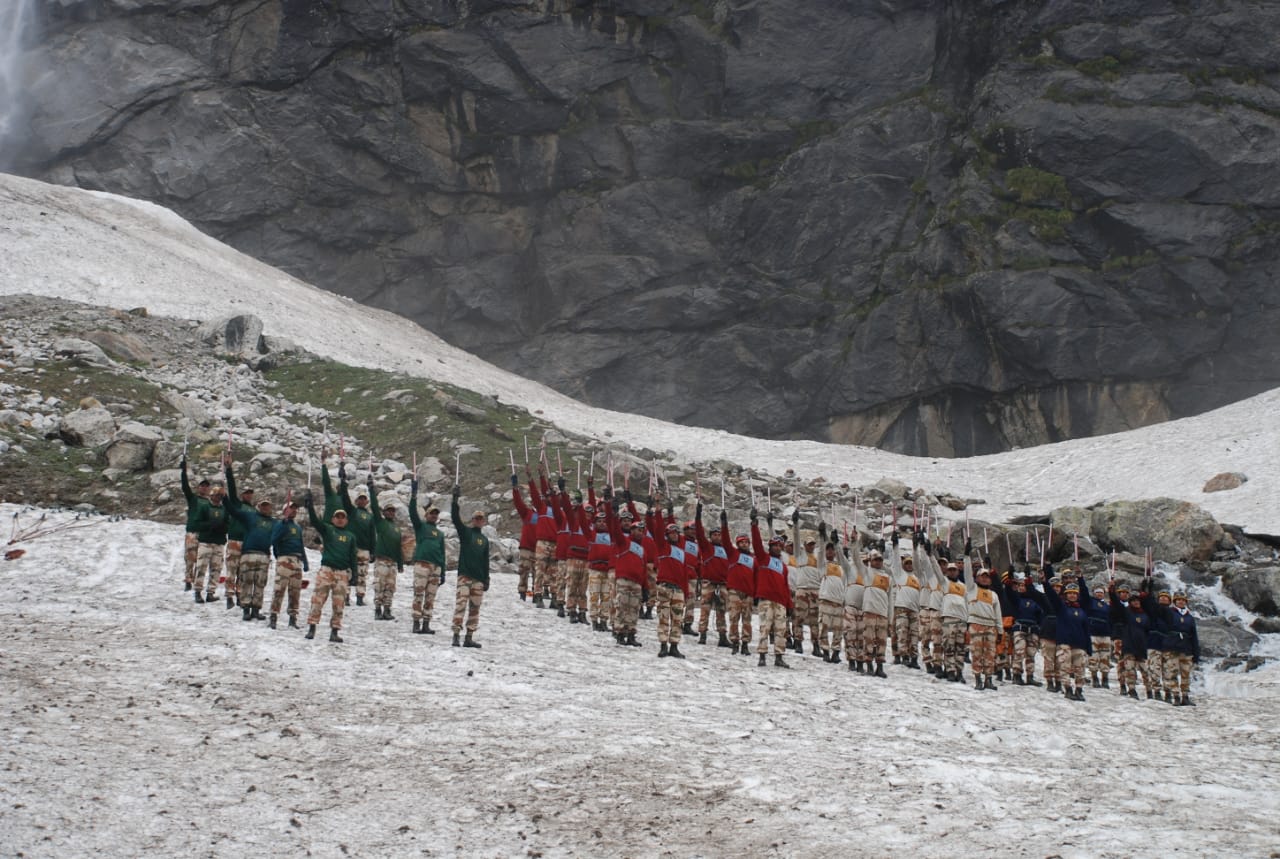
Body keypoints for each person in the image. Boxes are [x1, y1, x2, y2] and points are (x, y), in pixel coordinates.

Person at [224, 457, 278, 622]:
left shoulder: (274, 522)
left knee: (260, 583)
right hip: (247, 552)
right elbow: (233, 510)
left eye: (268, 506)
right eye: (263, 506)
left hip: (263, 555)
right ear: (259, 507)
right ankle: (245, 607)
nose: (265, 508)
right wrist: (225, 497)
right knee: (245, 580)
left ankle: (256, 609)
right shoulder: (249, 516)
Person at [302, 492, 358, 642]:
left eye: (342, 517)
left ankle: (335, 631)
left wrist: (355, 577)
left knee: (339, 604)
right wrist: (310, 507)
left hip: (342, 573)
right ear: (333, 519)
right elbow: (315, 521)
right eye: (337, 517)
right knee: (317, 600)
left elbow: (353, 557)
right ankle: (312, 628)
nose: (340, 520)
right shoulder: (328, 530)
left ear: (346, 520)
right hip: (326, 571)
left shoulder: (350, 536)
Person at [450, 485, 491, 647]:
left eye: (481, 519)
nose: (478, 521)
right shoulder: (466, 533)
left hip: (479, 579)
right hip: (465, 576)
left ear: (484, 521)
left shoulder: (485, 540)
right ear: (472, 520)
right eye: (476, 518)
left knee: (475, 608)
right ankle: (455, 634)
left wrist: (486, 579)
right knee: (461, 605)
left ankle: (469, 637)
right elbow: (455, 518)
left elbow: (486, 560)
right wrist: (455, 500)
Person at [606, 488, 647, 647]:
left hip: (636, 582)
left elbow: (643, 568)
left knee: (634, 608)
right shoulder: (624, 542)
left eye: (642, 530)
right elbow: (615, 529)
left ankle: (631, 633)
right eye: (637, 530)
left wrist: (645, 586)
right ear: (631, 531)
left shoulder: (641, 549)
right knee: (622, 606)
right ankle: (619, 632)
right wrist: (614, 513)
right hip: (624, 579)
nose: (640, 532)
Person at [752, 509, 792, 668]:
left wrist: (789, 605)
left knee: (781, 630)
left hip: (780, 602)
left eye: (780, 546)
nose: (778, 548)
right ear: (770, 546)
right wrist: (754, 525)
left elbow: (786, 586)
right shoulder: (763, 558)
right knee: (765, 628)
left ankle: (779, 656)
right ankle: (762, 655)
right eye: (775, 545)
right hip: (766, 600)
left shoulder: (783, 566)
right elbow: (756, 543)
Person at [1043, 569, 1091, 702]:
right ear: (1066, 595)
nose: (1072, 596)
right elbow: (1052, 596)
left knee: (1080, 669)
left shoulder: (1082, 611)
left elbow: (1086, 597)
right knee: (1064, 667)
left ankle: (1079, 690)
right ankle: (1068, 689)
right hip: (1064, 642)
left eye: (1074, 594)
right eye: (1069, 594)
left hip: (1079, 644)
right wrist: (1044, 582)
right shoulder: (1061, 607)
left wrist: (1080, 579)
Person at [962, 540, 1003, 691]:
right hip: (976, 624)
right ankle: (978, 678)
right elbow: (967, 574)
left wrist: (1000, 630)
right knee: (977, 653)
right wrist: (967, 556)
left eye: (987, 576)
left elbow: (998, 614)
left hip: (991, 626)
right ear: (977, 578)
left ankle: (989, 679)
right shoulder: (972, 589)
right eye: (982, 576)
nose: (985, 578)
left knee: (990, 654)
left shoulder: (993, 595)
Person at [651, 502, 689, 658]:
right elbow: (658, 530)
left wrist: (686, 591)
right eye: (672, 533)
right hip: (665, 587)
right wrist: (659, 513)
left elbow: (684, 572)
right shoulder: (662, 546)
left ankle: (674, 645)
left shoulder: (681, 551)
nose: (675, 535)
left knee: (677, 619)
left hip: (678, 589)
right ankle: (663, 644)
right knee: (663, 617)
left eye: (676, 532)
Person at [408, 478, 446, 635]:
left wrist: (442, 572)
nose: (434, 516)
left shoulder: (440, 533)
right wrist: (414, 495)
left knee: (431, 596)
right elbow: (412, 513)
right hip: (422, 564)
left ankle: (426, 623)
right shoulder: (421, 527)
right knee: (419, 593)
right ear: (427, 515)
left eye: (436, 514)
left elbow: (442, 553)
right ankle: (416, 622)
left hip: (436, 567)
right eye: (431, 513)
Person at [267, 500, 308, 630]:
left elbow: (301, 545)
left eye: (295, 509)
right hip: (284, 558)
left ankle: (293, 618)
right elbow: (273, 541)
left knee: (295, 591)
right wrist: (282, 528)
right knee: (280, 589)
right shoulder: (280, 525)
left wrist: (305, 561)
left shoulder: (297, 527)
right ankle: (273, 616)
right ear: (285, 511)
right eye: (291, 509)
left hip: (297, 559)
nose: (293, 511)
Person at [1110, 580, 1155, 699]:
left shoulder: (1145, 615)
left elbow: (1150, 603)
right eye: (1133, 601)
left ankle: (1149, 691)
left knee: (1145, 671)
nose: (1136, 603)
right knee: (1129, 669)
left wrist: (1147, 590)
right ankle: (1131, 689)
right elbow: (1116, 604)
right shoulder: (1127, 613)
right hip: (1129, 645)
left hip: (1141, 646)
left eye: (1138, 601)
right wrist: (1111, 591)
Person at [719, 511, 755, 656]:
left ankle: (745, 643)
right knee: (734, 617)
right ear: (738, 544)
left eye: (746, 542)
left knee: (747, 619)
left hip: (748, 592)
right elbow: (726, 540)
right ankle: (734, 641)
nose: (744, 544)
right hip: (734, 590)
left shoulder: (754, 558)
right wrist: (724, 524)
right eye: (742, 542)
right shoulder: (733, 554)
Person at [367, 481, 404, 621]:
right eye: (388, 510)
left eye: (392, 510)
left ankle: (387, 609)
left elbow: (398, 546)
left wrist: (400, 563)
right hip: (381, 559)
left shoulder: (396, 528)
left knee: (390, 586)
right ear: (384, 512)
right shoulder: (381, 523)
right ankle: (377, 609)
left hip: (393, 562)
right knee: (379, 585)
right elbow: (375, 508)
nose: (390, 512)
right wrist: (372, 490)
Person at [694, 503, 730, 647]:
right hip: (709, 583)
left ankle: (722, 636)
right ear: (710, 536)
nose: (717, 537)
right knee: (705, 609)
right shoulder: (706, 547)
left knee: (722, 610)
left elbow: (727, 537)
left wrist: (724, 523)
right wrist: (698, 516)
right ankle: (702, 634)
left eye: (719, 534)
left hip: (722, 584)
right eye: (714, 534)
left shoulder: (726, 549)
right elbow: (699, 533)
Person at [1158, 591, 1200, 706]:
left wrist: (1196, 653)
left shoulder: (1190, 618)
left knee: (1186, 673)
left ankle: (1185, 696)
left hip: (1186, 649)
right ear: (1174, 601)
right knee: (1172, 672)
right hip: (1171, 647)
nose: (1181, 601)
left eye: (1183, 600)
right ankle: (1176, 696)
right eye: (1178, 600)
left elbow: (1194, 635)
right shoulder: (1168, 612)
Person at [788, 511, 822, 656]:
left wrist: (823, 533)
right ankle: (798, 642)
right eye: (809, 544)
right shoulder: (800, 556)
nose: (811, 546)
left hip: (815, 590)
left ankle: (816, 645)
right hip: (801, 589)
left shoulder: (817, 557)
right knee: (799, 617)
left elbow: (825, 545)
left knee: (815, 619)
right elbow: (795, 539)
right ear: (804, 545)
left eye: (813, 544)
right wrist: (795, 524)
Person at [888, 531, 923, 669]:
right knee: (902, 632)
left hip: (914, 609)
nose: (909, 565)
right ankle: (903, 655)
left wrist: (916, 547)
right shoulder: (899, 574)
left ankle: (914, 656)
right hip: (901, 608)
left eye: (911, 563)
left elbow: (919, 564)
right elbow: (896, 562)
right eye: (907, 563)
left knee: (914, 634)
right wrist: (895, 546)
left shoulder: (917, 577)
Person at [338, 479, 376, 606]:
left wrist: (373, 551)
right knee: (348, 571)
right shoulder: (352, 511)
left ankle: (360, 596)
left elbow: (372, 535)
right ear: (356, 500)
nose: (362, 500)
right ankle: (346, 596)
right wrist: (343, 485)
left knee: (362, 573)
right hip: (351, 548)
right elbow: (345, 500)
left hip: (365, 550)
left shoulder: (370, 517)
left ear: (367, 501)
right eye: (360, 498)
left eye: (364, 498)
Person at [190, 482, 228, 604]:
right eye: (216, 495)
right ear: (211, 496)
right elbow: (196, 523)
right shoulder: (205, 507)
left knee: (216, 569)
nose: (218, 498)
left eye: (220, 496)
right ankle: (197, 591)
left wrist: (223, 528)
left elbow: (228, 524)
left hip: (219, 542)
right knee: (201, 567)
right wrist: (209, 525)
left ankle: (211, 592)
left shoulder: (224, 510)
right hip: (206, 542)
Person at [528, 464, 560, 609]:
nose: (549, 498)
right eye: (546, 496)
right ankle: (538, 594)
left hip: (555, 544)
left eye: (551, 496)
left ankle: (554, 596)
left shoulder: (560, 512)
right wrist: (536, 478)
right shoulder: (542, 508)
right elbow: (535, 493)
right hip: (542, 543)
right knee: (540, 570)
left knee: (554, 572)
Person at [816, 524, 849, 664]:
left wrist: (837, 543)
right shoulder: (823, 566)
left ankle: (836, 651)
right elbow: (819, 554)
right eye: (827, 549)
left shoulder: (841, 568)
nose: (830, 552)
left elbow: (844, 560)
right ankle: (824, 650)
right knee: (823, 626)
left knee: (838, 629)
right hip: (825, 600)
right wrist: (822, 536)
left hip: (838, 602)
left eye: (832, 549)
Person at [1006, 571, 1045, 686]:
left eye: (1024, 586)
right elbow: (1009, 592)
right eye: (1020, 586)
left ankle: (1030, 676)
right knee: (1019, 651)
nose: (1022, 588)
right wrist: (1009, 578)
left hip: (1032, 629)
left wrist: (1039, 627)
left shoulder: (1035, 601)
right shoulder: (1017, 599)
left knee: (1031, 653)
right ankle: (1017, 675)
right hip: (1020, 628)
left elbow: (1040, 615)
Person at [179, 458, 211, 592]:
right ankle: (188, 579)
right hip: (192, 532)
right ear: (199, 488)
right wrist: (183, 472)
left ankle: (198, 581)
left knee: (202, 560)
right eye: (202, 486)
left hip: (205, 535)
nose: (204, 488)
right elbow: (185, 487)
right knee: (190, 557)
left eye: (206, 486)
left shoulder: (211, 503)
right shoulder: (193, 499)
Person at [860, 544, 892, 678]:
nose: (878, 562)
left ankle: (879, 665)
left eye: (880, 560)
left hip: (882, 613)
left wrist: (890, 618)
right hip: (870, 611)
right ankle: (868, 664)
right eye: (875, 560)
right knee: (868, 639)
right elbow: (857, 560)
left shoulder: (887, 577)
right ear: (870, 561)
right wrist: (855, 543)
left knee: (881, 641)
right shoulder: (867, 572)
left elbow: (890, 598)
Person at [223, 484, 254, 609]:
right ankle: (229, 595)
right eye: (246, 493)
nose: (248, 495)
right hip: (234, 541)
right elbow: (232, 489)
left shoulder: (254, 510)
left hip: (246, 543)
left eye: (250, 493)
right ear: (242, 495)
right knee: (231, 569)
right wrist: (229, 470)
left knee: (243, 572)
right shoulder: (237, 505)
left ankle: (240, 595)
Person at [937, 557, 968, 682]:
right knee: (949, 645)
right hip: (949, 618)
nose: (952, 572)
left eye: (954, 570)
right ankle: (950, 670)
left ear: (958, 571)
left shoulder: (963, 586)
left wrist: (968, 620)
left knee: (960, 647)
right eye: (949, 570)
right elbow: (936, 570)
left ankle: (959, 671)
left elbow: (967, 603)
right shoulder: (944, 582)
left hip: (962, 619)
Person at [510, 471, 538, 600]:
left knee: (538, 574)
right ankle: (522, 592)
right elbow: (518, 502)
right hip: (526, 548)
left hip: (539, 549)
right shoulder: (527, 513)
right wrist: (515, 488)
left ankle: (537, 593)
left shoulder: (545, 515)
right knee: (523, 571)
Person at [1083, 582, 1113, 688]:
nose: (1099, 594)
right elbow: (1084, 593)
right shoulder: (1090, 602)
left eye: (1101, 593)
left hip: (1105, 634)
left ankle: (1105, 678)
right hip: (1093, 633)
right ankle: (1094, 677)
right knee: (1093, 657)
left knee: (1105, 657)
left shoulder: (1107, 606)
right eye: (1097, 593)